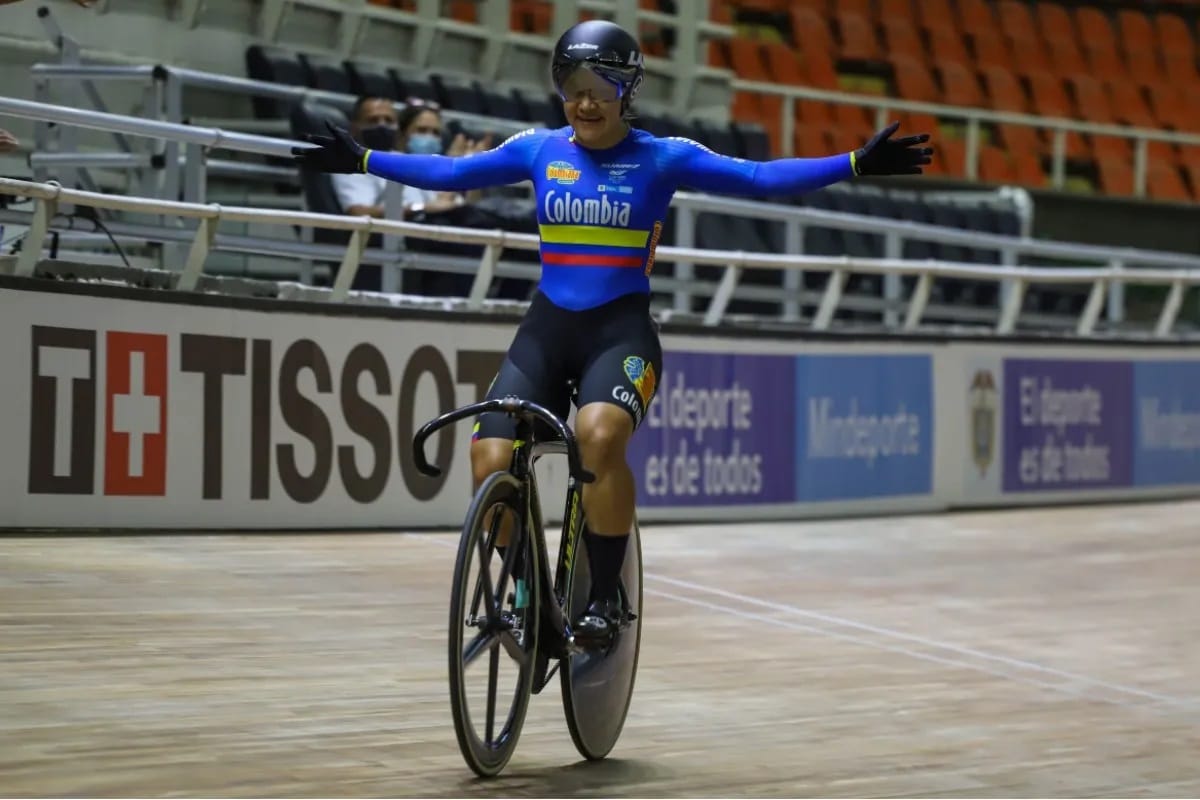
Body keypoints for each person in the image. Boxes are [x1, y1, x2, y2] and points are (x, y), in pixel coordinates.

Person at [294, 19, 932, 644]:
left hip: (619, 334)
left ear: (628, 92)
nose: (586, 104)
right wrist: (366, 158)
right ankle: (527, 588)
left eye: (601, 90)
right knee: (488, 456)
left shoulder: (663, 157)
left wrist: (853, 162)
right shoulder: (538, 149)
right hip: (547, 330)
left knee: (598, 438)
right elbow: (453, 175)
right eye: (573, 90)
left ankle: (605, 595)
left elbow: (759, 178)